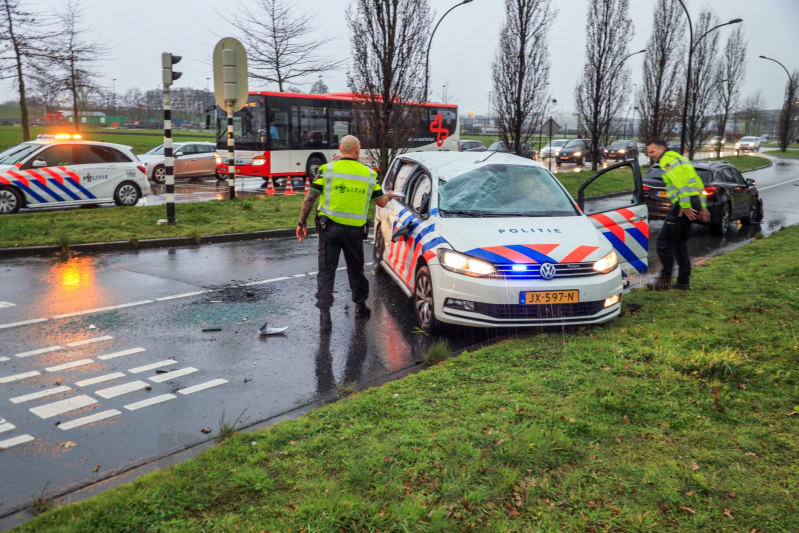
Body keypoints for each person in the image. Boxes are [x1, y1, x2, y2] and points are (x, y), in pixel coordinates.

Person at [296, 135, 397, 332]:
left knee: (326, 271)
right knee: (356, 269)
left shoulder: (327, 170)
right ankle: (360, 306)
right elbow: (382, 202)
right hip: (354, 233)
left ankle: (325, 316)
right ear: (358, 151)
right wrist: (389, 195)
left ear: (340, 149)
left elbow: (309, 199)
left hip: (329, 230)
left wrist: (301, 223)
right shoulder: (368, 174)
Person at [645, 139, 710, 291]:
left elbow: (681, 183)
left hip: (683, 204)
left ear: (662, 149)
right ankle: (683, 282)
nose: (650, 155)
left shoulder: (667, 160)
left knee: (663, 242)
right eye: (648, 153)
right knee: (680, 244)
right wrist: (703, 206)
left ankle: (664, 281)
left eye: (652, 152)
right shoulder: (680, 158)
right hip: (693, 201)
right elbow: (698, 182)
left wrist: (685, 206)